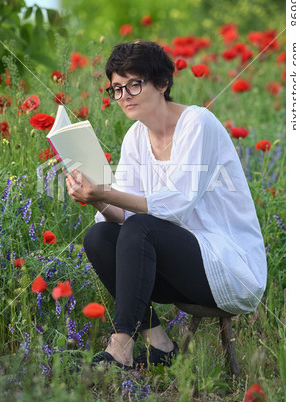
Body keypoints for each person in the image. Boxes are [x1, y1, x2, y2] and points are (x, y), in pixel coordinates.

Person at [64, 40, 267, 369]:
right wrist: (97, 198)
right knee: (99, 237)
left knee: (141, 226)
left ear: (162, 83)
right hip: (179, 264)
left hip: (228, 266)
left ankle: (121, 344)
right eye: (117, 88)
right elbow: (123, 214)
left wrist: (106, 192)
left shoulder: (197, 124)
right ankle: (159, 344)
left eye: (134, 83)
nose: (124, 95)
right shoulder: (135, 137)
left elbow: (176, 206)